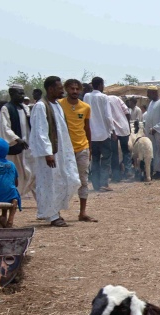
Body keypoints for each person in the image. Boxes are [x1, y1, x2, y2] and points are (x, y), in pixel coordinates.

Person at [29, 76, 82, 228]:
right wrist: (48, 153)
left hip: (62, 151)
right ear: (51, 89)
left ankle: (54, 210)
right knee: (49, 184)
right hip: (49, 153)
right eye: (60, 88)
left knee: (71, 180)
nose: (62, 91)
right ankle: (52, 215)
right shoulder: (40, 106)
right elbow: (40, 132)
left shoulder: (57, 105)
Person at [58, 79, 97, 222]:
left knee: (83, 180)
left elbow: (87, 128)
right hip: (64, 149)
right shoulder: (59, 105)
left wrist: (90, 148)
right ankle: (57, 212)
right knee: (62, 179)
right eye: (71, 89)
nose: (74, 91)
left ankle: (82, 212)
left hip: (82, 147)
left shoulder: (85, 107)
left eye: (77, 89)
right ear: (66, 89)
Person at [0, 84, 36, 197]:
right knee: (15, 175)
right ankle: (13, 198)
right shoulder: (6, 108)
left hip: (27, 147)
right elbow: (5, 128)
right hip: (14, 147)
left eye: (23, 93)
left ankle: (40, 200)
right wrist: (17, 139)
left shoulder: (24, 108)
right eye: (20, 93)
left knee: (33, 173)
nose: (22, 95)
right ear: (11, 94)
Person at [83, 77, 115, 192]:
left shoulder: (86, 96)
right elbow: (108, 116)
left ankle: (96, 184)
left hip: (91, 134)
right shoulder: (104, 97)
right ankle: (104, 184)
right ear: (100, 85)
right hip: (103, 134)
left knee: (94, 159)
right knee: (106, 159)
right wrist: (113, 130)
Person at [145, 86, 160, 178]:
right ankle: (155, 170)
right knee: (153, 151)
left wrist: (156, 128)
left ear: (154, 93)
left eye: (149, 93)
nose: (147, 95)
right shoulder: (151, 103)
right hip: (151, 133)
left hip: (159, 132)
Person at [107, 94, 131, 181]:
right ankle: (128, 172)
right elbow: (127, 112)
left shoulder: (104, 100)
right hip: (124, 128)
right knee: (126, 151)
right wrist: (128, 125)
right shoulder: (116, 98)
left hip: (113, 130)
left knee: (114, 153)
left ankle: (116, 175)